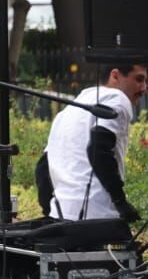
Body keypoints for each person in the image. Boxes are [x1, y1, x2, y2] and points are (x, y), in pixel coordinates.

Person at [35, 62, 145, 237]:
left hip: (63, 217)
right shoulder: (117, 98)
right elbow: (99, 150)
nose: (143, 88)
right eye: (139, 79)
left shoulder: (68, 110)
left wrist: (52, 213)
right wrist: (121, 202)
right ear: (115, 75)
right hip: (100, 217)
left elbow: (42, 169)